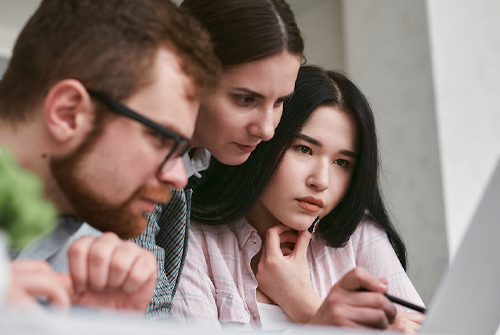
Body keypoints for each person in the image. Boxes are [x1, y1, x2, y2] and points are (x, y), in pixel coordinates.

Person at [0, 0, 219, 312]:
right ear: (68, 114)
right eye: (161, 138)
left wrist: (107, 325)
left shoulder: (90, 256)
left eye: (182, 151)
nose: (179, 177)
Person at [170, 66, 425, 333]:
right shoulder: (192, 241)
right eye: (304, 149)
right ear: (264, 141)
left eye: (341, 162)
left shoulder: (360, 235)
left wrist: (306, 307)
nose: (321, 180)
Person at [143, 0, 304, 317]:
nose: (268, 129)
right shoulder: (132, 161)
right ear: (184, 71)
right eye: (245, 99)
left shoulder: (204, 163)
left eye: (280, 102)